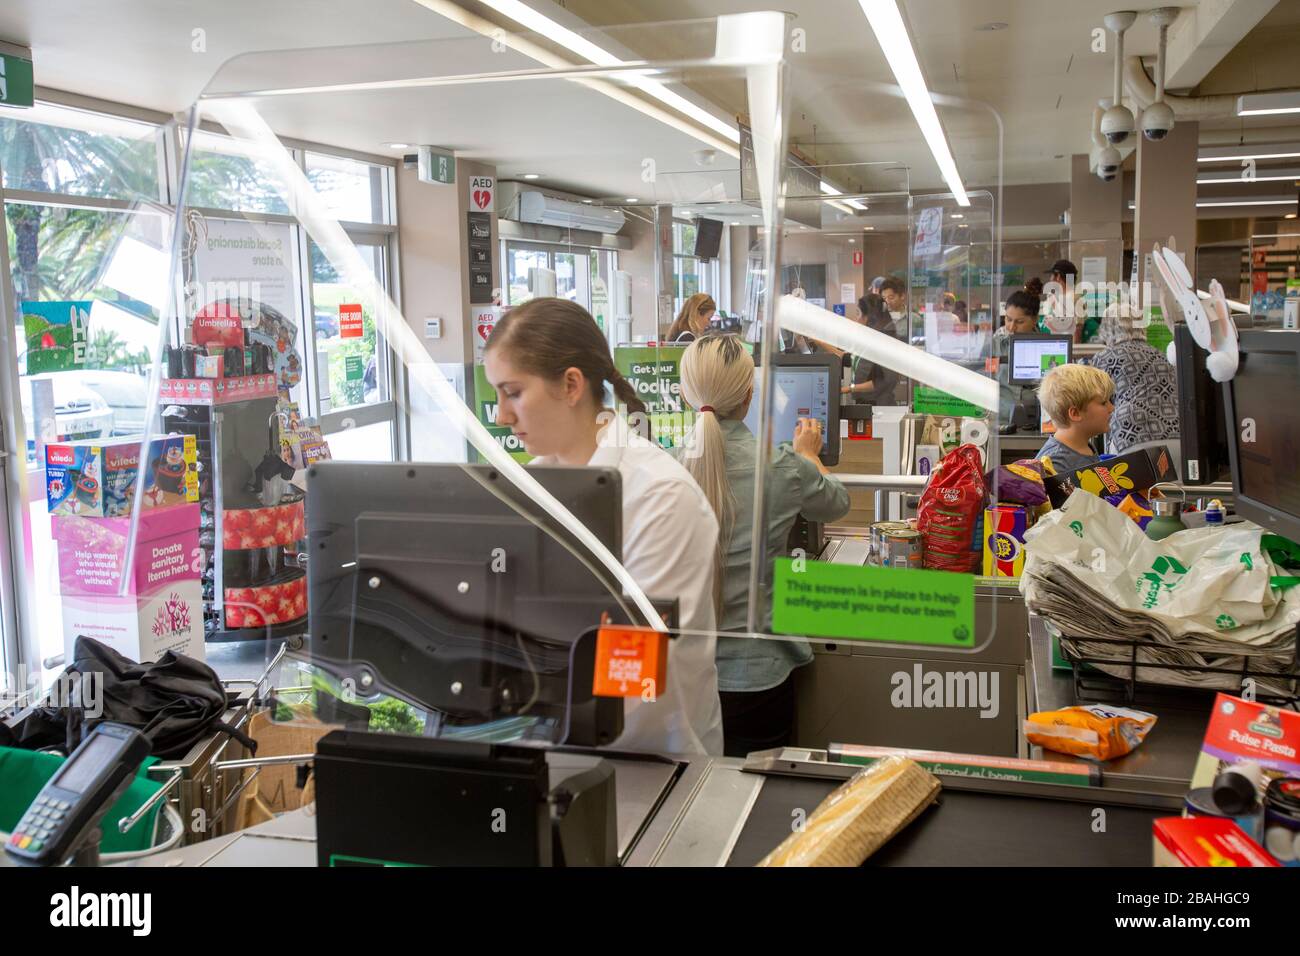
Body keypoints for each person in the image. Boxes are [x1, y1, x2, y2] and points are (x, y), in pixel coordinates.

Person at [484, 297, 723, 755]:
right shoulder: (528, 487)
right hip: (553, 750)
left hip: (653, 768)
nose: (501, 416)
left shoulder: (659, 495)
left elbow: (642, 674)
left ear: (571, 384)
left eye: (513, 392)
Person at [673, 335, 850, 756]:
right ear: (749, 395)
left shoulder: (664, 465)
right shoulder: (782, 464)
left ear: (683, 394)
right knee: (755, 797)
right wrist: (808, 454)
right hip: (757, 676)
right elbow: (835, 503)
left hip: (685, 675)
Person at [1085, 306, 1178, 455]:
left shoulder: (1106, 357)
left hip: (1132, 435)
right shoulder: (1161, 355)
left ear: (1107, 328)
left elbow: (1094, 401)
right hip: (1178, 438)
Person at [1035, 363, 1116, 475]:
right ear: (1075, 413)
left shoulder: (1084, 446)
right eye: (1103, 403)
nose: (1112, 408)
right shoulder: (1054, 465)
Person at [842, 292, 900, 405]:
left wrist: (850, 388)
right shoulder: (869, 342)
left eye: (858, 314)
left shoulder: (883, 343)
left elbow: (882, 382)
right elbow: (846, 358)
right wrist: (817, 340)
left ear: (868, 318)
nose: (856, 319)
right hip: (866, 404)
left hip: (879, 407)